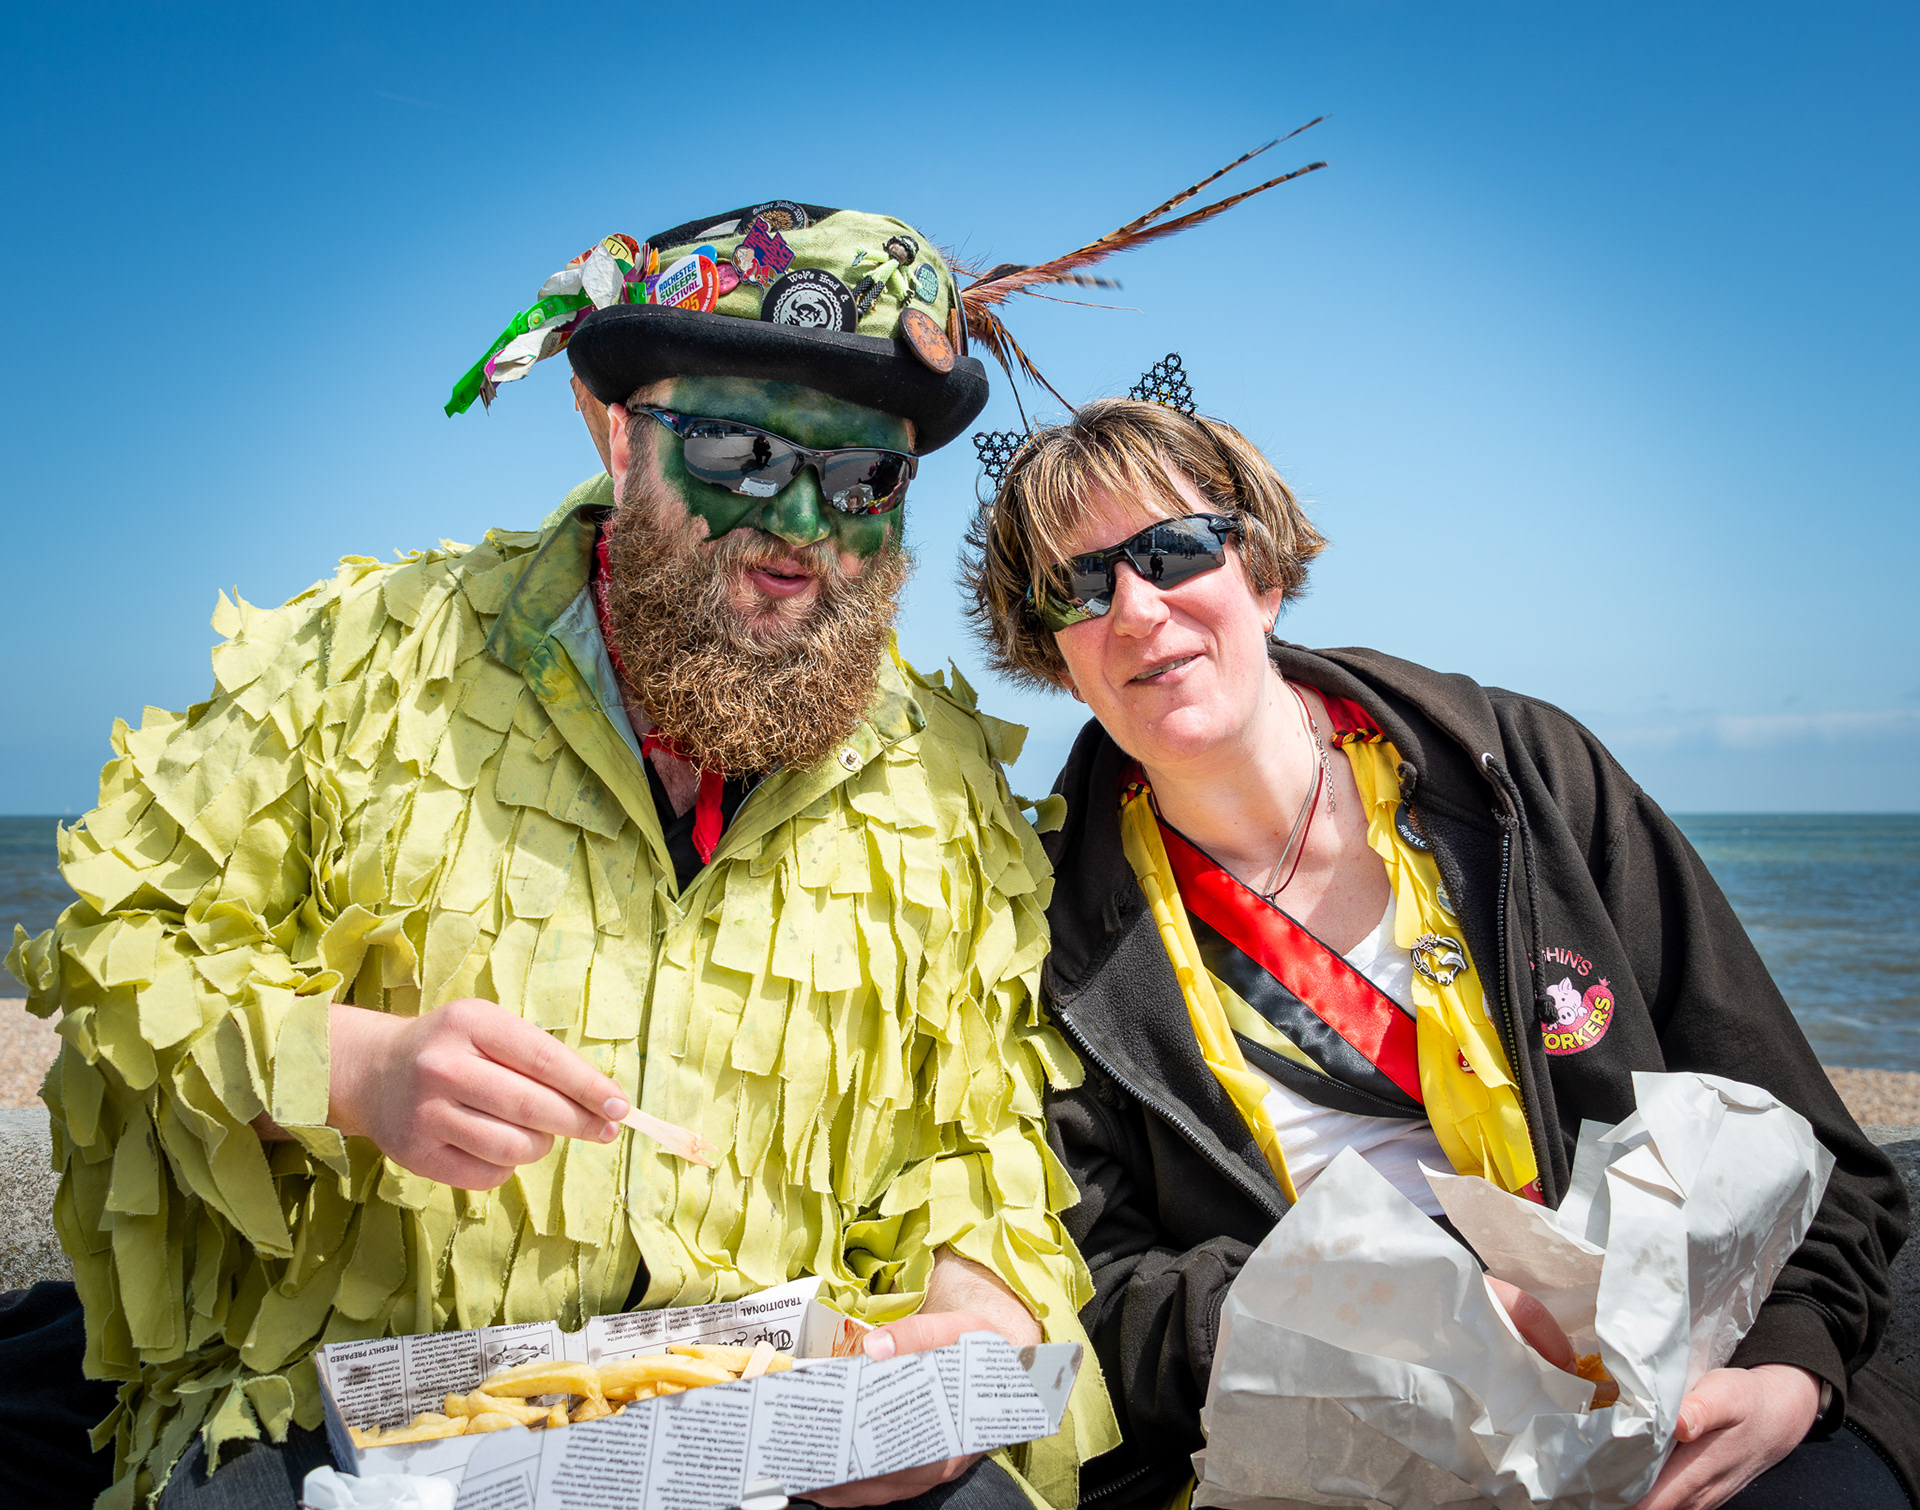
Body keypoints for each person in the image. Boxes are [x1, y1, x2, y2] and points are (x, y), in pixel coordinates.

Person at [2, 204, 1120, 1509]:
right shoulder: (364, 654)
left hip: (780, 1455)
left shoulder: (949, 777)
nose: (805, 525)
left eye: (864, 478)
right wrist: (352, 1067)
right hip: (351, 1421)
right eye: (740, 450)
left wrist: (967, 1330)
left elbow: (976, 1130)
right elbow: (118, 963)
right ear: (615, 427)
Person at [960, 392, 1920, 1510]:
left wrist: (1793, 1371)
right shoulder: (1041, 923)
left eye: (1173, 550)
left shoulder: (1523, 775)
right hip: (1322, 1457)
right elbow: (1101, 1292)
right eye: (1079, 585)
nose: (1136, 608)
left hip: (1682, 1389)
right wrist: (1395, 1317)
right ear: (1052, 654)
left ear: (1261, 575)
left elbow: (1808, 1139)